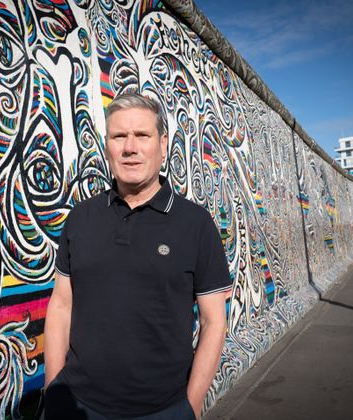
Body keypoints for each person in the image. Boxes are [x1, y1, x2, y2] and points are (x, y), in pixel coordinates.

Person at [43, 93, 231, 419]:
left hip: (164, 409)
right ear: (107, 147)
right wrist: (52, 391)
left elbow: (214, 321)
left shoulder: (195, 224)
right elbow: (61, 305)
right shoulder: (81, 218)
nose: (130, 147)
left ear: (162, 144)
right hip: (75, 405)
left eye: (142, 135)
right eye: (119, 136)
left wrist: (192, 404)